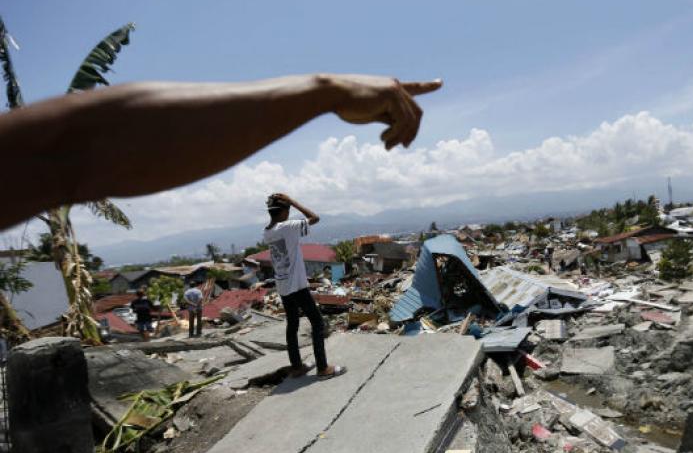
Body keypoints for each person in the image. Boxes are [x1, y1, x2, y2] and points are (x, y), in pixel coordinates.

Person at [0, 74, 441, 230]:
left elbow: (62, 155)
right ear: (281, 211)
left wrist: (323, 92)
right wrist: (324, 92)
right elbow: (70, 150)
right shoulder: (285, 231)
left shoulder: (269, 236)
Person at [263, 193, 345, 380]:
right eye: (288, 210)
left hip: (283, 286)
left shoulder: (267, 231)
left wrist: (286, 205)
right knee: (317, 323)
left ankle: (297, 366)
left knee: (292, 325)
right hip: (298, 286)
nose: (289, 214)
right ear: (284, 211)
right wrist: (292, 201)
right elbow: (315, 218)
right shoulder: (288, 227)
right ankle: (323, 368)